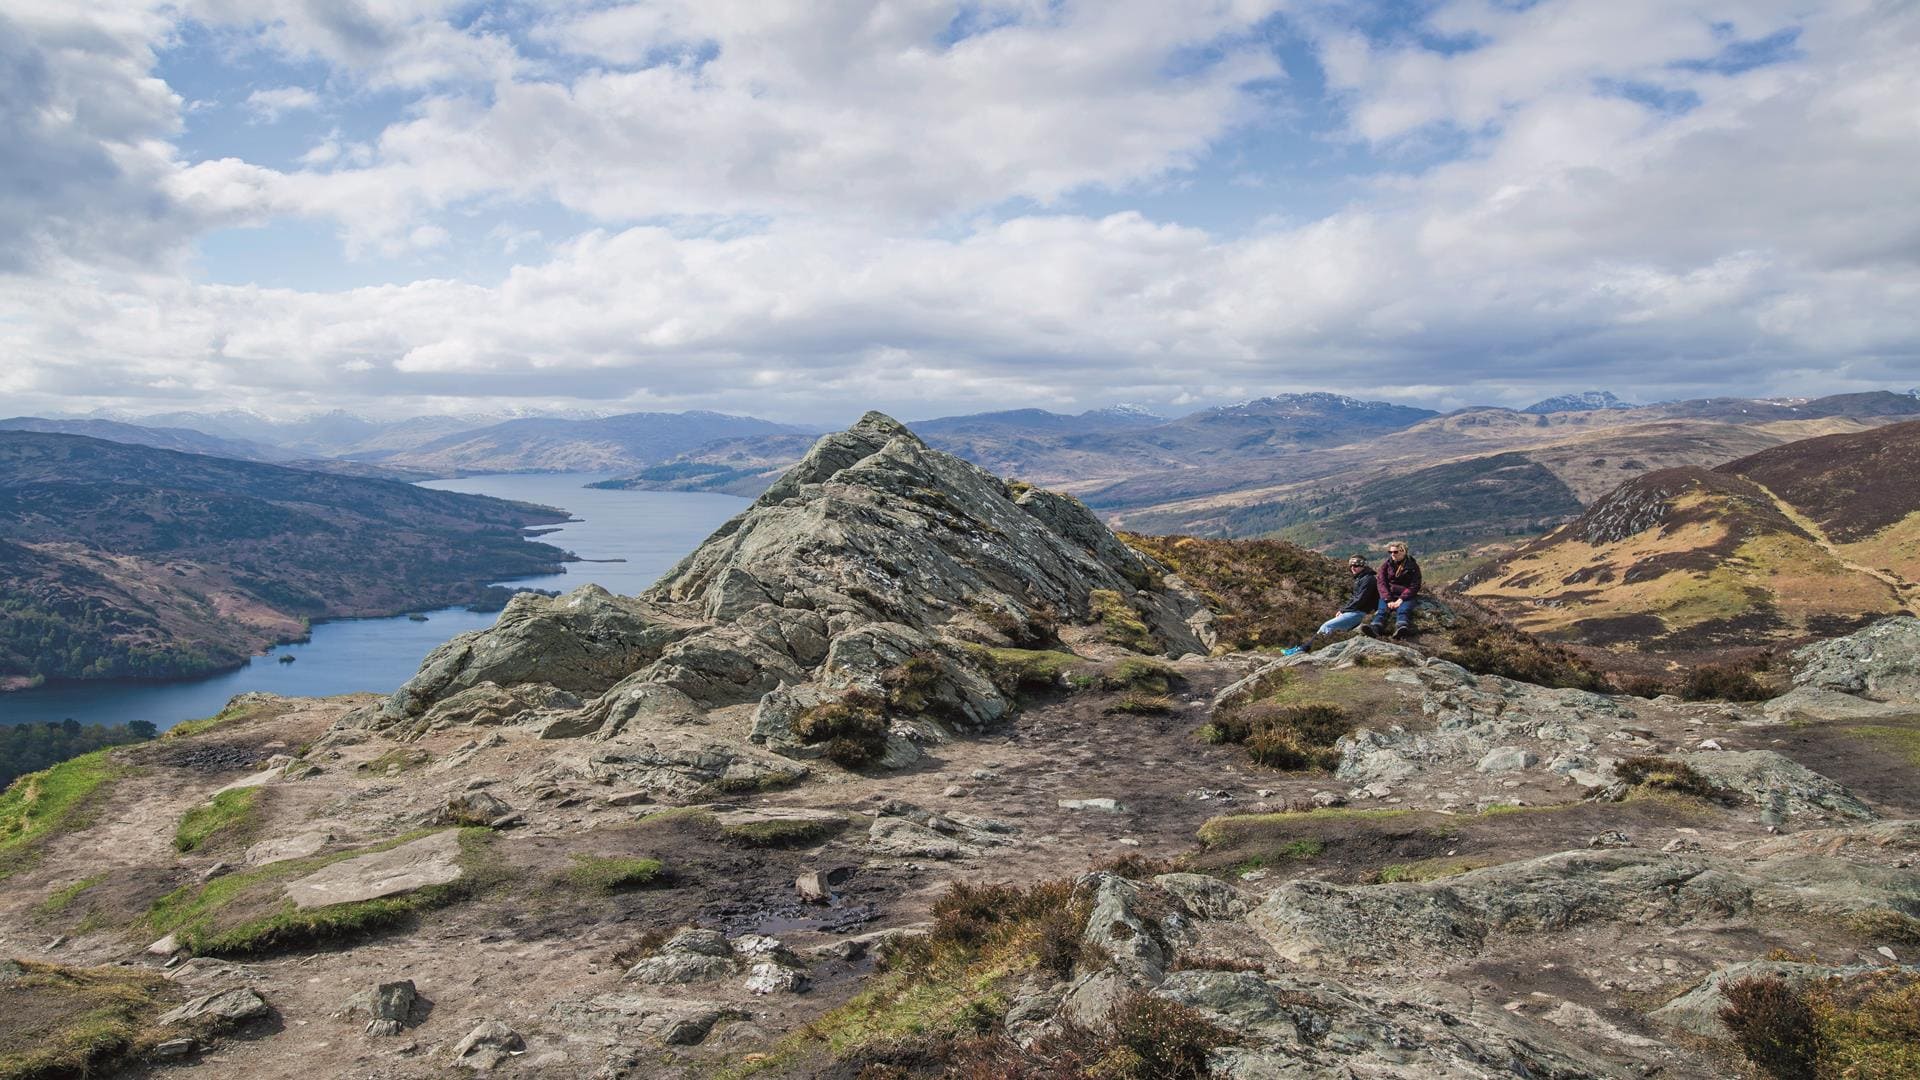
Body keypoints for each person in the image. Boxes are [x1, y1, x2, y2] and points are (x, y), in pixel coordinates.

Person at [1310, 555, 1380, 641]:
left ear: (1363, 566)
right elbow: (1355, 598)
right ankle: (1308, 646)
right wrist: (1343, 610)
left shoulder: (1368, 579)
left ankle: (1310, 647)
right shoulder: (1361, 578)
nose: (1353, 568)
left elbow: (1360, 599)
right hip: (1356, 611)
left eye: (1356, 565)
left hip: (1360, 613)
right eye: (1351, 565)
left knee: (1327, 626)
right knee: (1327, 626)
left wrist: (1343, 610)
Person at [1363, 541, 1422, 640]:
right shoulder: (1386, 565)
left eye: (1395, 552)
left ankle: (1401, 629)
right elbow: (1381, 583)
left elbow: (1414, 585)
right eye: (1390, 552)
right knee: (1382, 611)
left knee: (1403, 610)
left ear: (1403, 552)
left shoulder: (1413, 566)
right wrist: (1388, 599)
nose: (1392, 554)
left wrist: (1401, 599)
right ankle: (1375, 628)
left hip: (1405, 595)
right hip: (1390, 594)